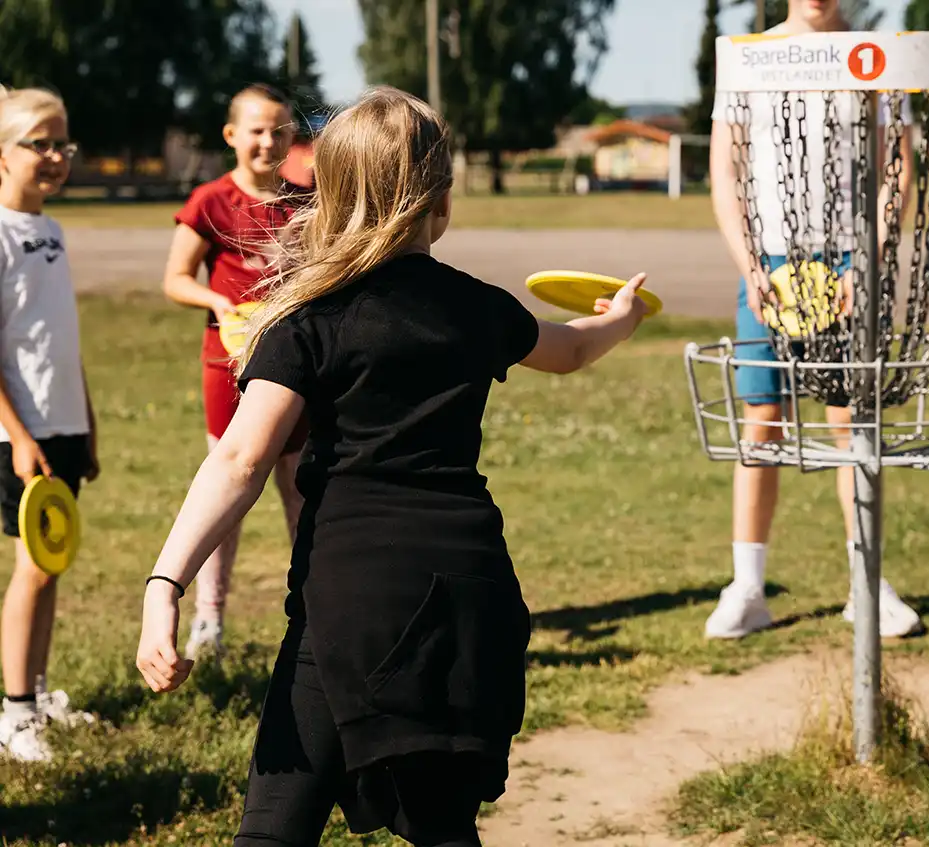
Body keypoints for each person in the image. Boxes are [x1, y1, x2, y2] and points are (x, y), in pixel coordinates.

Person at [135, 86, 650, 846]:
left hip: (349, 600)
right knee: (442, 827)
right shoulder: (474, 307)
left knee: (274, 830)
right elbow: (568, 351)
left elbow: (241, 459)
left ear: (331, 194)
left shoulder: (305, 320)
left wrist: (164, 583)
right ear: (439, 200)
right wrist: (621, 319)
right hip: (468, 592)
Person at [704, 0, 918, 640]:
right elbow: (726, 169)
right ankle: (748, 586)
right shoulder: (748, 56)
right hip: (767, 263)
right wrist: (750, 266)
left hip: (852, 261)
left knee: (852, 423)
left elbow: (897, 171)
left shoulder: (882, 59)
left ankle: (867, 585)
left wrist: (868, 264)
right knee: (762, 420)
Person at [162, 83, 310, 659]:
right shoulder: (209, 201)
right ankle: (209, 620)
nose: (267, 141)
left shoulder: (307, 203)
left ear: (293, 137)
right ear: (232, 136)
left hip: (298, 373)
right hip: (229, 368)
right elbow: (175, 278)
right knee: (225, 493)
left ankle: (309, 610)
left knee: (302, 494)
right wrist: (216, 303)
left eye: (279, 130)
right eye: (256, 129)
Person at [0, 86, 99, 762]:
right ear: (1, 154)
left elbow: (59, 339)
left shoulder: (53, 231)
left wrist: (86, 421)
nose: (57, 156)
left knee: (52, 562)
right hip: (17, 436)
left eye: (63, 142)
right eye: (41, 143)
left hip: (63, 426)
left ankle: (38, 690)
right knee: (31, 569)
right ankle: (14, 713)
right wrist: (23, 436)